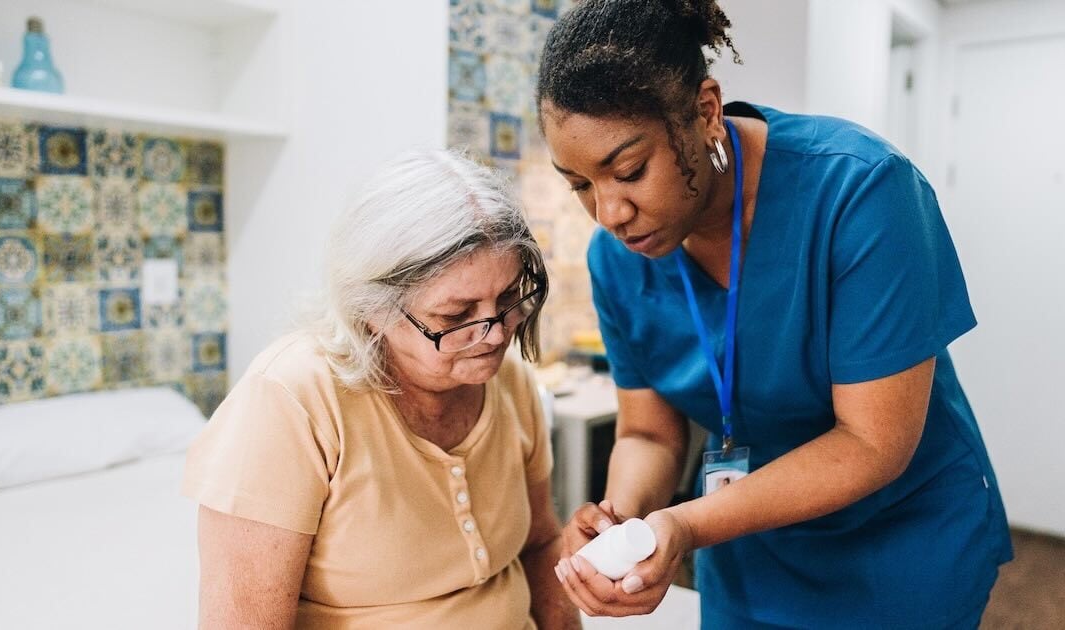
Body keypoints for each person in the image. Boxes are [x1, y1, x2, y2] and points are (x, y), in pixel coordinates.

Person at [534, 1, 1013, 628]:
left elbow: (872, 443)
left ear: (705, 111)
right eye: (579, 185)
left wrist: (681, 525)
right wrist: (624, 524)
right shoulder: (618, 258)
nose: (609, 213)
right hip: (745, 544)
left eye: (629, 171)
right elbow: (648, 433)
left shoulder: (861, 193)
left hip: (898, 549)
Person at [181, 150, 579, 629]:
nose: (495, 334)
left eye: (510, 298)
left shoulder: (509, 379)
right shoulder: (292, 399)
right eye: (455, 316)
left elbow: (539, 545)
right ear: (374, 308)